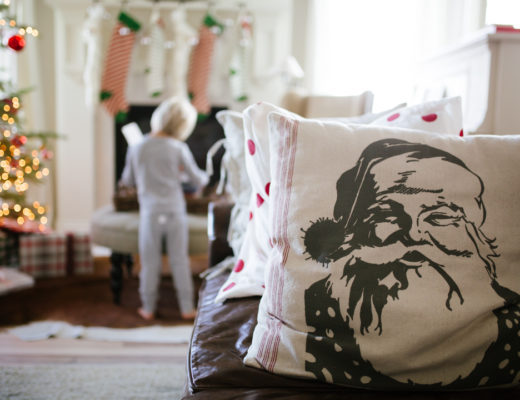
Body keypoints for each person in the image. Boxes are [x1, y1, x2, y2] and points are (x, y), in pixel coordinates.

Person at [302, 138, 520, 389]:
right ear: (354, 231)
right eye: (387, 215)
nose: (414, 235)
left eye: (439, 217)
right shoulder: (315, 305)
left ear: (474, 235)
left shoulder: (510, 316)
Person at [120, 97, 208, 321]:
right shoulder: (178, 147)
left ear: (158, 117)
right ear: (183, 126)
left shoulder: (137, 147)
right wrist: (204, 178)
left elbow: (128, 180)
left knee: (150, 262)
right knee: (179, 260)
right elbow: (197, 178)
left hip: (150, 213)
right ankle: (187, 308)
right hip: (175, 212)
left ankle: (148, 308)